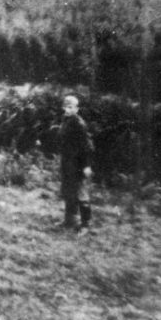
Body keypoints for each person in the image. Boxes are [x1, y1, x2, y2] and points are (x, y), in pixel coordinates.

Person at [58, 95, 94, 234]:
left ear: (77, 109)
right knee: (68, 191)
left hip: (78, 163)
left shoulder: (79, 124)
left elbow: (87, 146)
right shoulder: (66, 120)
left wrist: (86, 165)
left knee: (81, 194)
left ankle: (85, 225)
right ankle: (70, 220)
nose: (67, 109)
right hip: (68, 162)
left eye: (71, 106)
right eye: (66, 106)